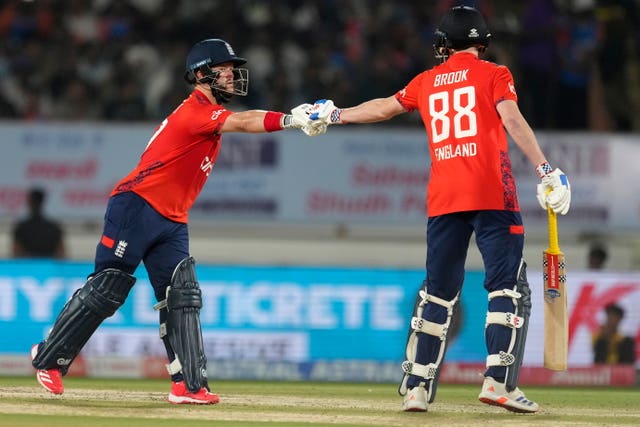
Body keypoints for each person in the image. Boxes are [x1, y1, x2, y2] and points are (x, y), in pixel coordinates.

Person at [305, 5, 571, 413]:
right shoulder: (495, 74)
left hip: (444, 199)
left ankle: (416, 387)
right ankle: (497, 382)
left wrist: (336, 113)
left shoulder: (426, 81)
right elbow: (513, 119)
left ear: (446, 44)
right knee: (506, 288)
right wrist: (546, 170)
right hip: (491, 194)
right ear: (481, 42)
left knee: (439, 294)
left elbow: (382, 108)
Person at [30, 38, 324, 404]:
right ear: (202, 74)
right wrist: (290, 119)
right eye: (225, 70)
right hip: (136, 205)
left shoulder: (208, 115)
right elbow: (246, 122)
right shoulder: (196, 111)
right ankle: (49, 359)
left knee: (181, 296)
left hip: (172, 218)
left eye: (234, 71)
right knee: (108, 288)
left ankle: (188, 384)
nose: (233, 77)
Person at [12, 187, 66, 259]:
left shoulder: (21, 227)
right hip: (49, 267)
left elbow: (17, 253)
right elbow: (61, 254)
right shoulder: (54, 227)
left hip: (28, 267)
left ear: (30, 202)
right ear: (42, 202)